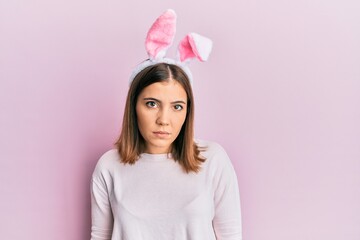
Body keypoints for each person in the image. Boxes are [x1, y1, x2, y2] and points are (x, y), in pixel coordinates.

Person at [91, 9, 242, 240]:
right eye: (152, 104)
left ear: (187, 111)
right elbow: (100, 236)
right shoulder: (109, 167)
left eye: (177, 106)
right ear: (134, 106)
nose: (164, 119)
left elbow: (231, 235)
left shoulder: (213, 160)